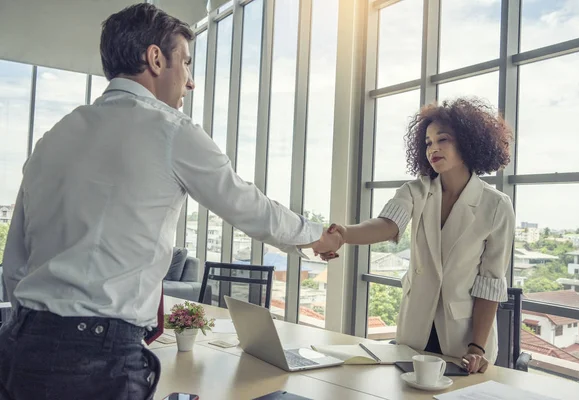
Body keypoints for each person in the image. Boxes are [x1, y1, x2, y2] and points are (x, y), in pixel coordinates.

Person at [0, 4, 342, 399]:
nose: (191, 81)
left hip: (19, 346)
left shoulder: (52, 138)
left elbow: (16, 260)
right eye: (186, 62)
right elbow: (248, 206)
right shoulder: (170, 131)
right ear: (156, 58)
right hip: (94, 359)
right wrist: (318, 236)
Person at [326, 98, 515, 374]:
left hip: (465, 340)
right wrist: (344, 234)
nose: (433, 148)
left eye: (443, 139)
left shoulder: (496, 205)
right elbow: (388, 224)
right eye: (427, 142)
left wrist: (477, 347)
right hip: (415, 331)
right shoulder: (416, 190)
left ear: (468, 141)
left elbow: (490, 284)